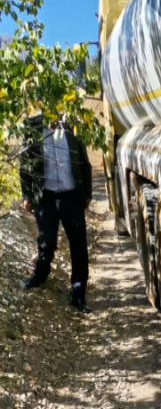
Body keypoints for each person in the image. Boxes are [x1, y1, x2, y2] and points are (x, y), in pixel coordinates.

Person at [20, 115, 93, 314]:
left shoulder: (71, 126)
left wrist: (87, 193)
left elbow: (84, 162)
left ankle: (78, 294)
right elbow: (24, 164)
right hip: (46, 198)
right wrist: (27, 195)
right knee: (47, 243)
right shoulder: (33, 128)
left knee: (78, 246)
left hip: (71, 197)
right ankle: (40, 277)